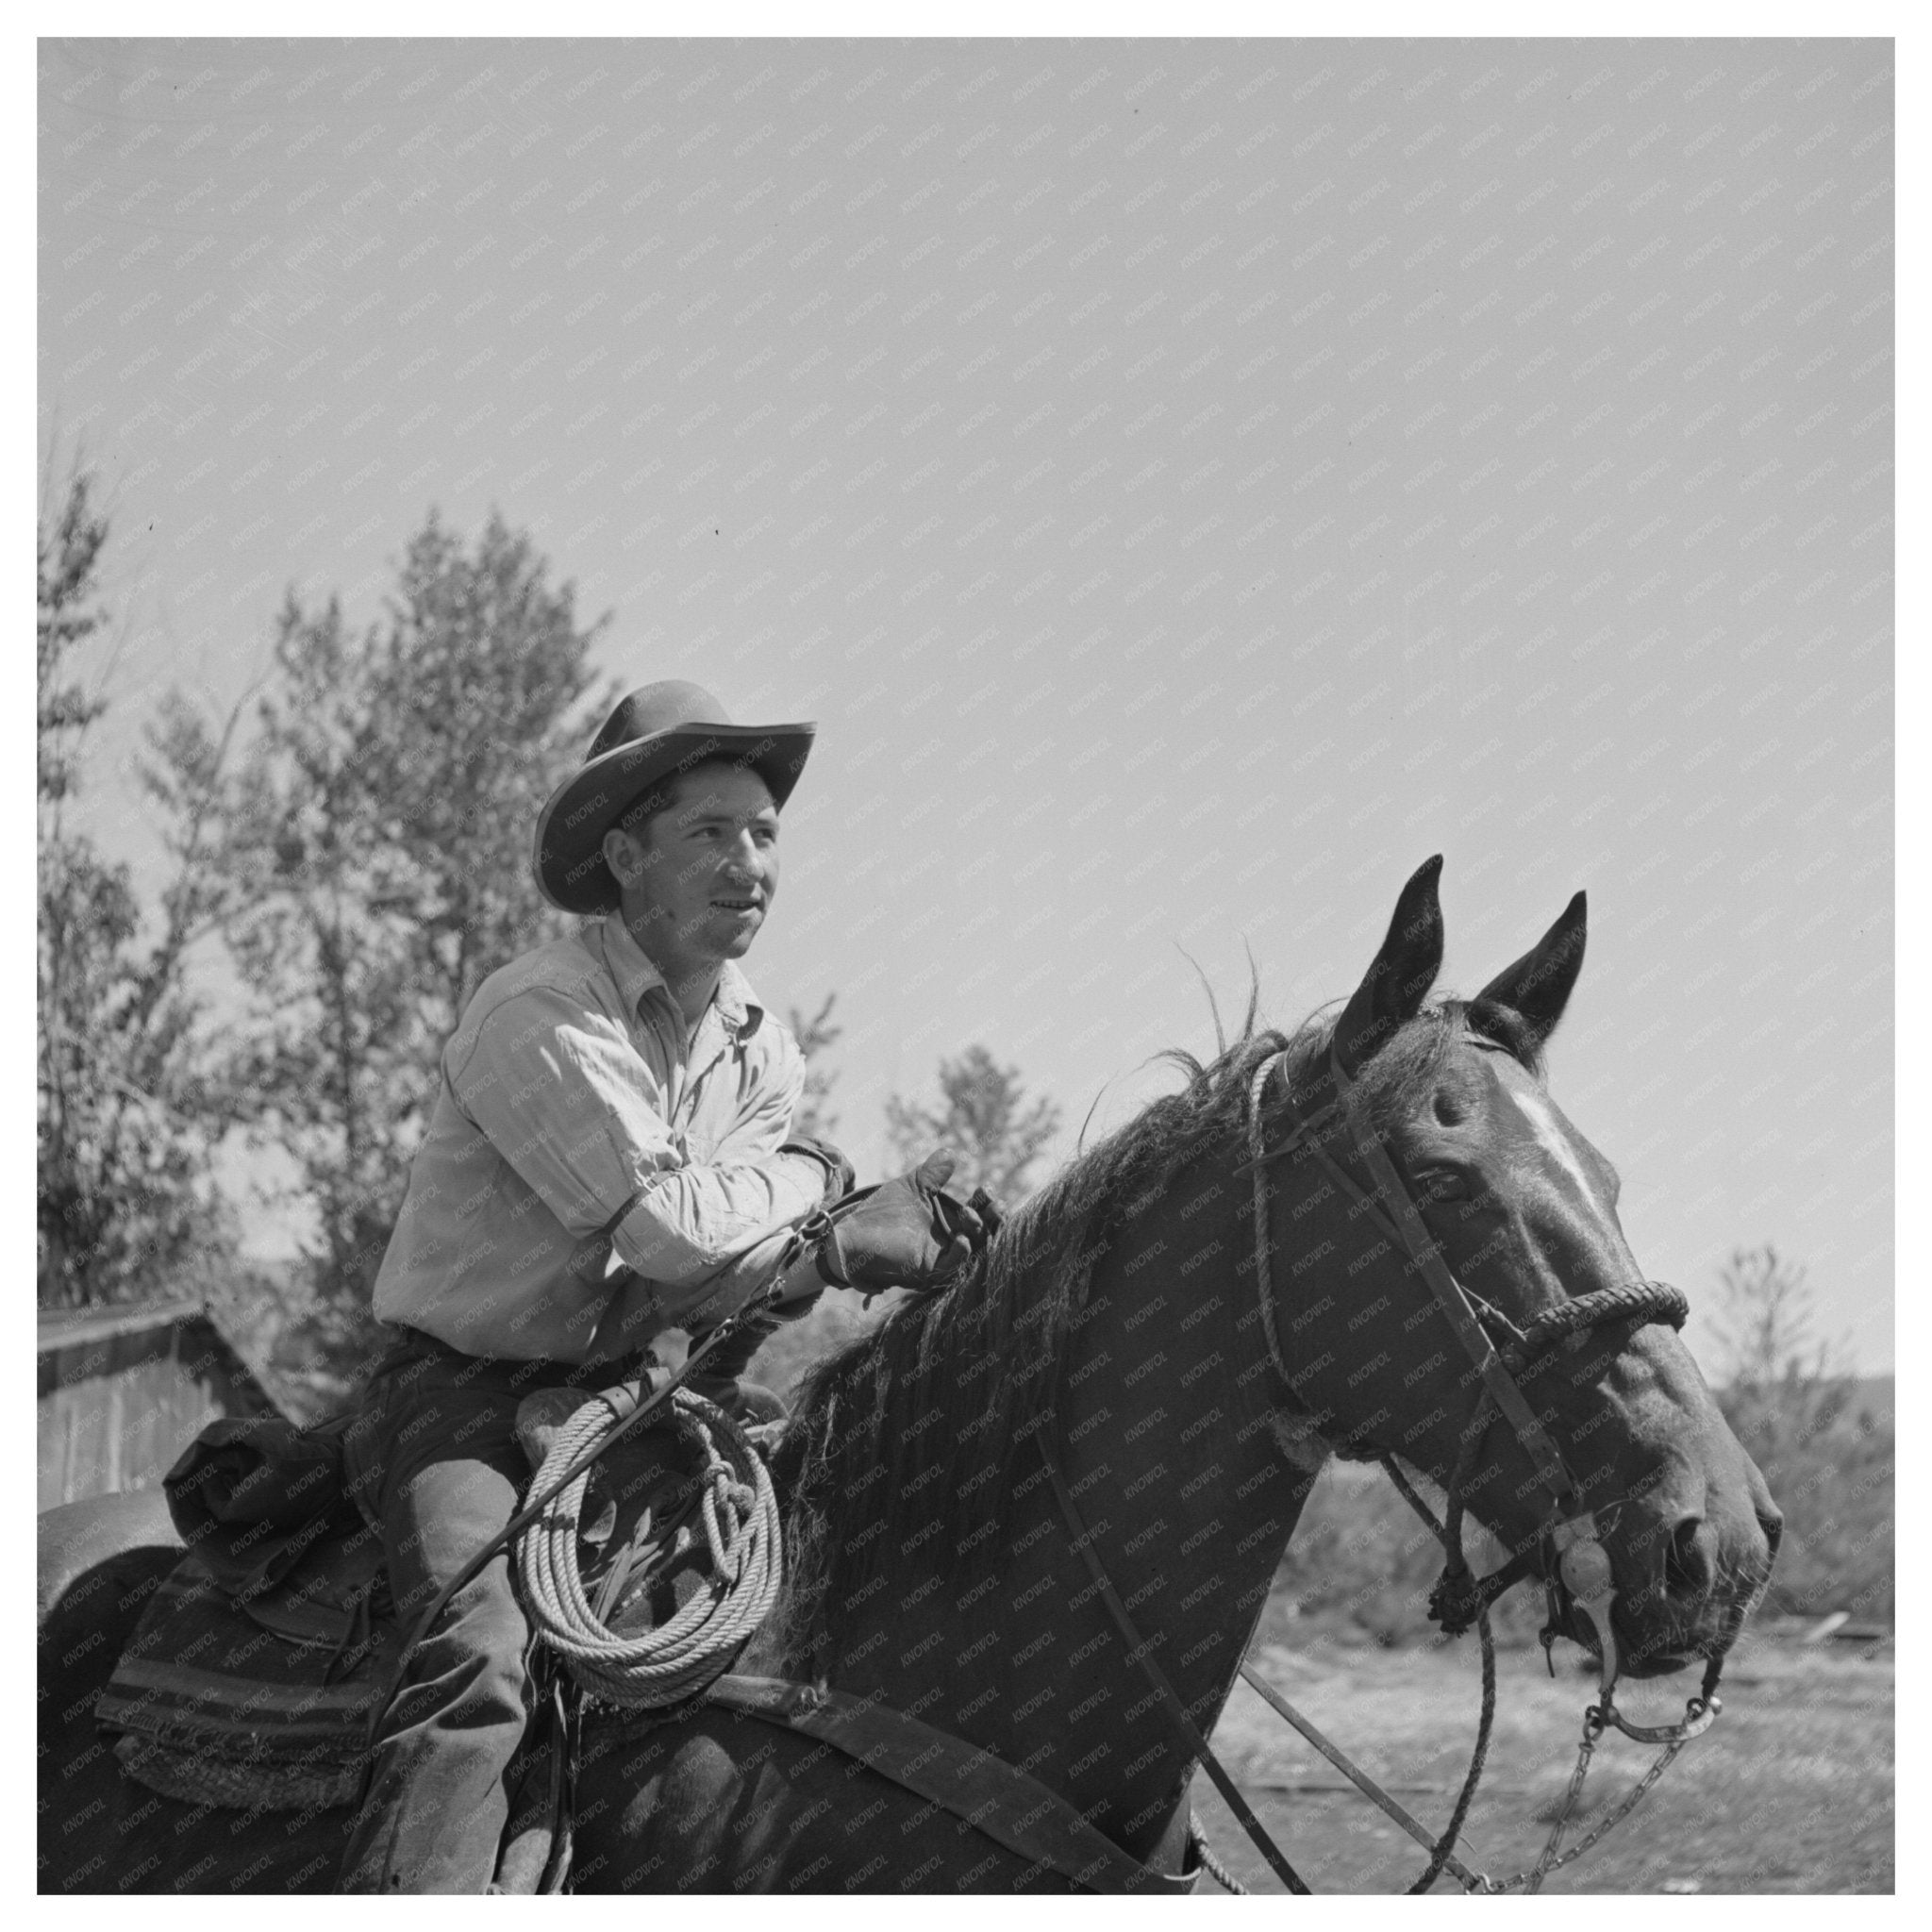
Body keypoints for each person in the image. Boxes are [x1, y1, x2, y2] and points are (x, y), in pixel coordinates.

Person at [337, 681, 985, 1892]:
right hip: (459, 1403)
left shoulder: (761, 1045)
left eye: (764, 833)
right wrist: (825, 1195)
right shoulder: (540, 1010)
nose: (749, 863)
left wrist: (816, 1236)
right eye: (709, 832)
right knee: (476, 1661)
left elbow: (729, 1269)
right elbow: (683, 1233)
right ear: (625, 853)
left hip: (643, 1396)